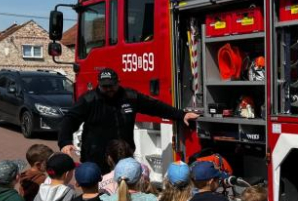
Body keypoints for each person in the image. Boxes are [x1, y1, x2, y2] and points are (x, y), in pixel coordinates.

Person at [58, 67, 199, 173]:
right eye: (104, 86)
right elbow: (69, 119)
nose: (108, 89)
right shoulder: (88, 100)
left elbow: (155, 107)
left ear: (118, 82)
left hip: (124, 157)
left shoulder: (130, 97)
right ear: (98, 84)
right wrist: (65, 142)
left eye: (111, 86)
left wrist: (181, 115)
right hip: (96, 159)